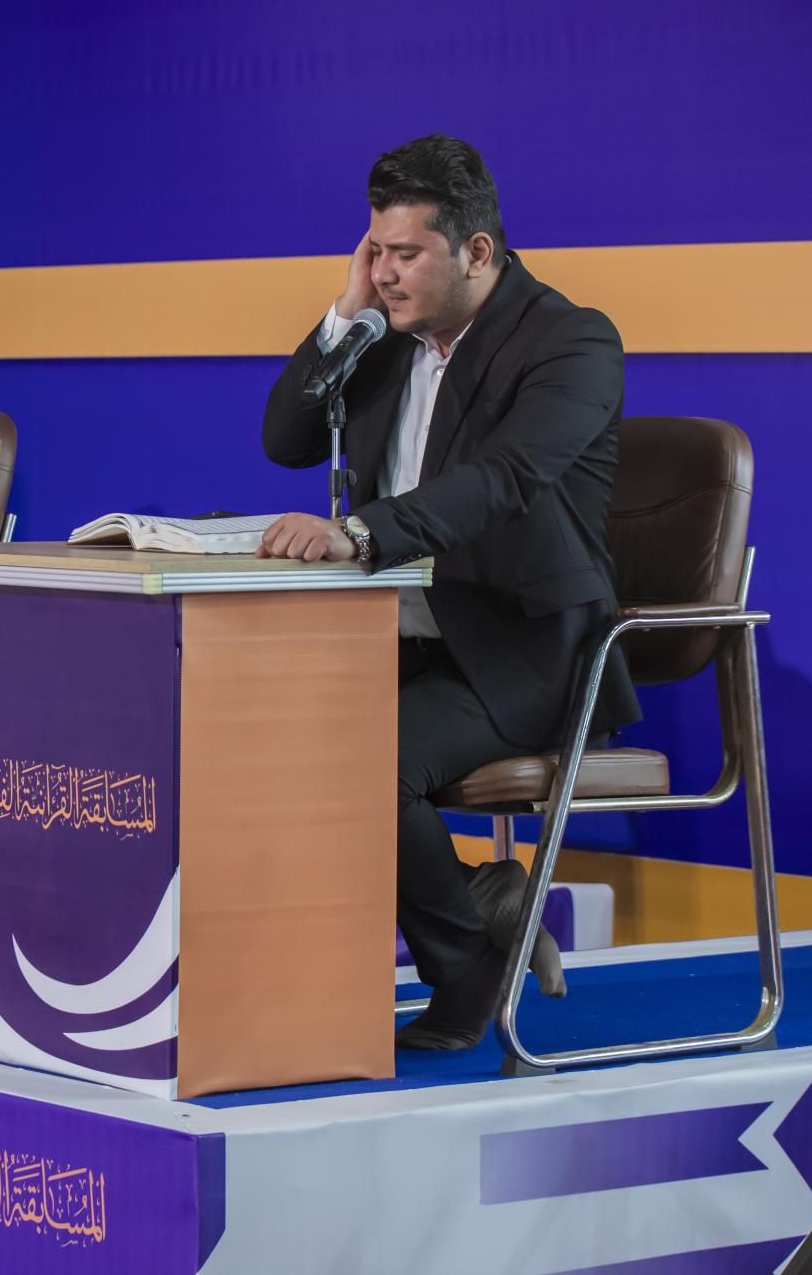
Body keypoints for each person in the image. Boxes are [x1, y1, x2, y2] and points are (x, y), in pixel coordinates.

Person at [258, 135, 640, 1050]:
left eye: (406, 254)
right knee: (250, 735)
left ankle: (465, 970)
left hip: (524, 651)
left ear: (476, 250)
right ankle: (480, 902)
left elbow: (503, 478)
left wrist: (361, 533)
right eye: (375, 252)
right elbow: (285, 440)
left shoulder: (572, 341)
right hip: (399, 639)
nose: (386, 273)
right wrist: (345, 315)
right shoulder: (387, 338)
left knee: (362, 759)